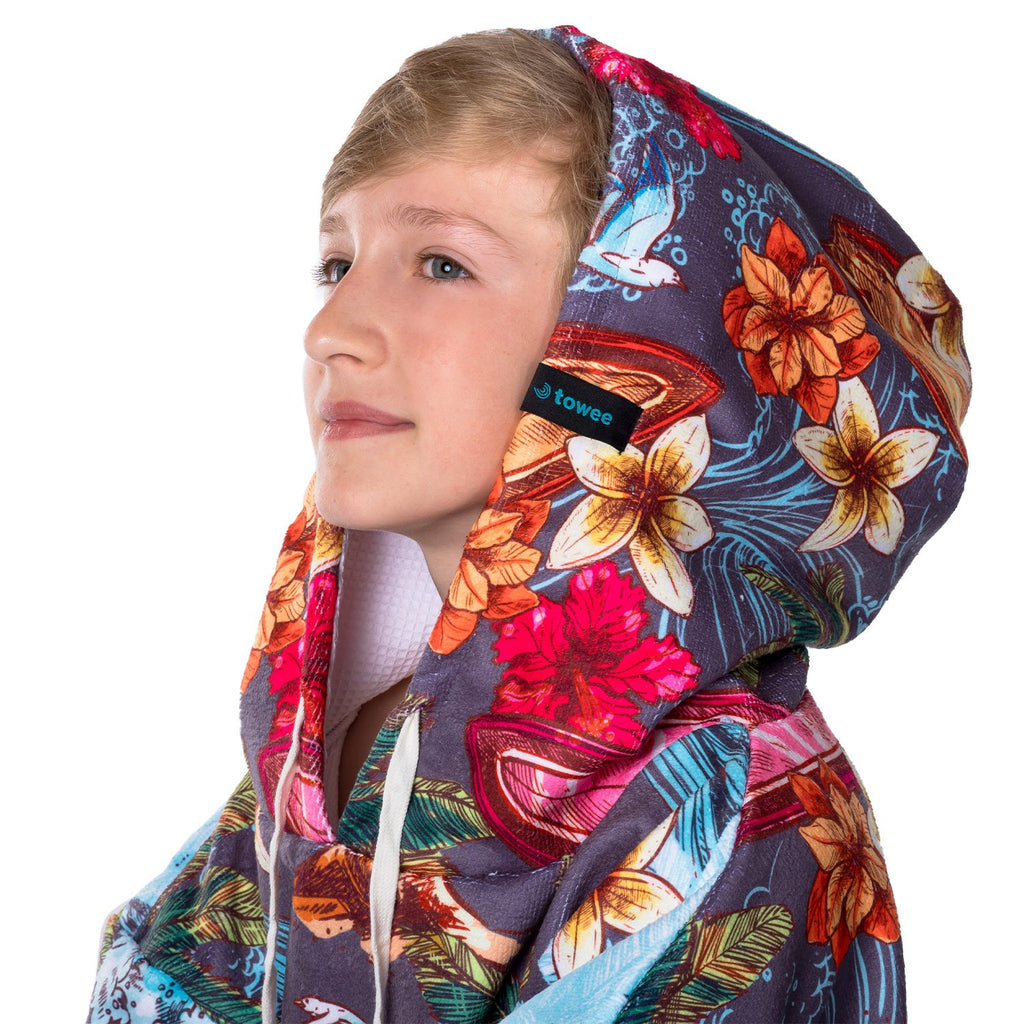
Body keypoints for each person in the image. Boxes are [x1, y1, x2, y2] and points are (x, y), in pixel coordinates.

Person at [87, 25, 970, 1024]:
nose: (328, 332)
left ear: (611, 351)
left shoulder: (732, 815)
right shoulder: (318, 758)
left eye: (442, 264)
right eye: (336, 264)